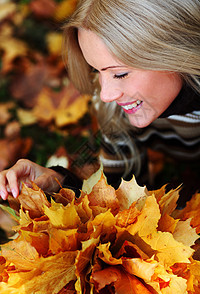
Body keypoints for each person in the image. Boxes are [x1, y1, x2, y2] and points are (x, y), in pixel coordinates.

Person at [0, 0, 200, 206]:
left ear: (179, 51)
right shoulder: (118, 108)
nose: (107, 94)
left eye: (120, 74)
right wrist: (60, 185)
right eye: (97, 70)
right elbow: (120, 201)